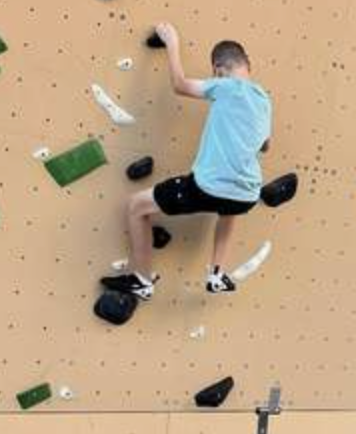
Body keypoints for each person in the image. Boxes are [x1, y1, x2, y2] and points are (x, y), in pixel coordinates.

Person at [102, 22, 271, 301]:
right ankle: (216, 274)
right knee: (230, 208)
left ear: (218, 69)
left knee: (136, 206)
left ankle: (141, 279)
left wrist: (172, 43)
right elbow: (265, 145)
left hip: (208, 187)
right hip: (247, 194)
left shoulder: (225, 85)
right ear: (248, 65)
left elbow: (180, 85)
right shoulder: (264, 99)